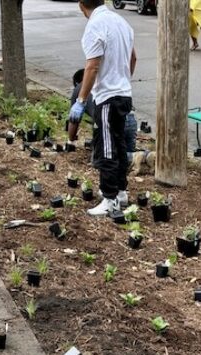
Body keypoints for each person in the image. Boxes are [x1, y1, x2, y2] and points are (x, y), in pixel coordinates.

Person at [70, 0, 136, 217]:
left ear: (81, 5)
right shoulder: (121, 22)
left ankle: (110, 199)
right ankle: (121, 191)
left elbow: (92, 65)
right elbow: (132, 57)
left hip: (107, 97)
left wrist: (80, 101)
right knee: (118, 144)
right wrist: (123, 81)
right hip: (124, 94)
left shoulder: (95, 25)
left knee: (107, 147)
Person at [68, 68, 137, 166]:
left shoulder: (80, 88)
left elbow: (73, 119)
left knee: (100, 162)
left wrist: (71, 140)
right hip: (130, 119)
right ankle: (136, 157)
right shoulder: (107, 82)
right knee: (128, 161)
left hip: (108, 120)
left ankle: (138, 157)